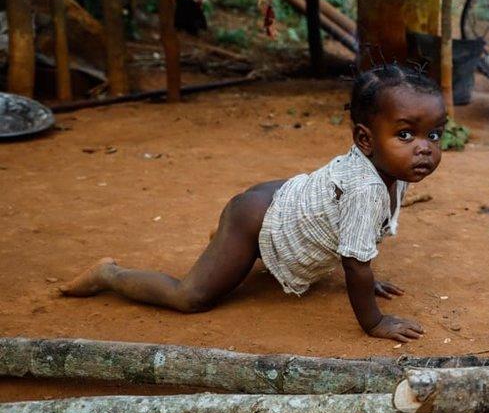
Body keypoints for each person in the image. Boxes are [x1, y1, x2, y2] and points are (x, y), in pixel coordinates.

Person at [60, 64, 446, 343]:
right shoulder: (367, 188)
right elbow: (355, 262)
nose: (424, 148)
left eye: (434, 134)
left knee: (239, 234)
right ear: (365, 139)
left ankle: (226, 240)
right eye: (406, 134)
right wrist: (374, 322)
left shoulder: (390, 168)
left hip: (277, 198)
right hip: (256, 218)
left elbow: (349, 225)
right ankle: (109, 274)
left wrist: (366, 270)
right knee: (190, 297)